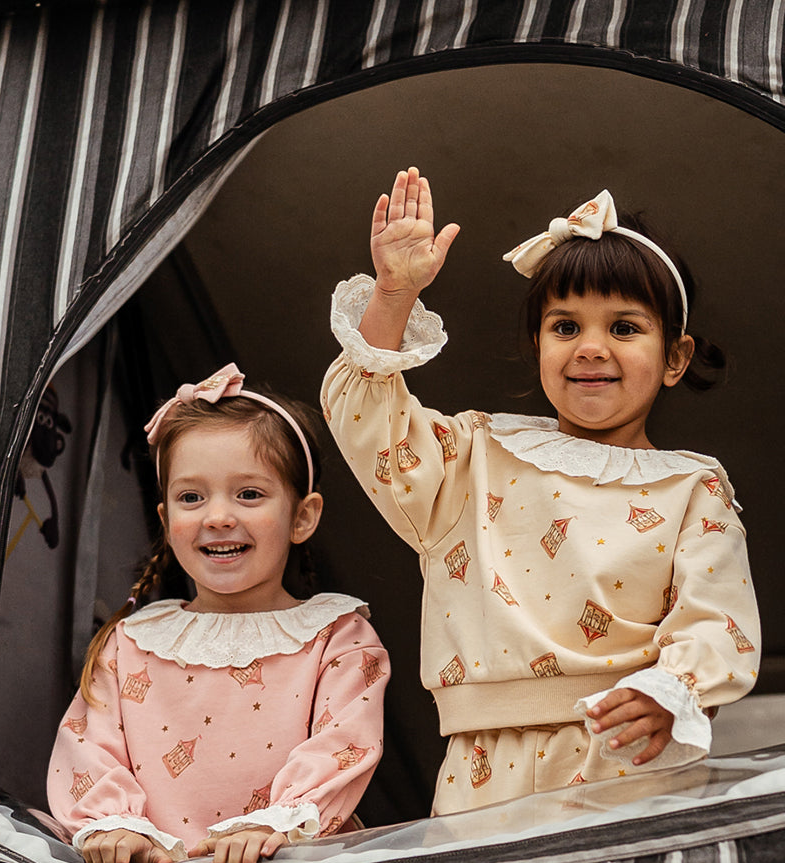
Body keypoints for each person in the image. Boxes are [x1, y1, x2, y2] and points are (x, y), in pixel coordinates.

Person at [321, 167, 759, 817]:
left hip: (626, 761)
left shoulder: (692, 487)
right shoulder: (473, 455)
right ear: (537, 344)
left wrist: (675, 689)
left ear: (675, 357)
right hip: (479, 773)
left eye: (624, 328)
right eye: (565, 327)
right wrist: (393, 296)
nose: (591, 348)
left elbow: (718, 618)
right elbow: (366, 417)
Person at [48, 365, 389, 863]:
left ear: (303, 516)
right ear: (166, 520)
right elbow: (88, 746)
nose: (217, 517)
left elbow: (343, 746)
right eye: (191, 497)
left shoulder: (338, 638)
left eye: (248, 494)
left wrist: (273, 826)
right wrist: (114, 827)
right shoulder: (130, 642)